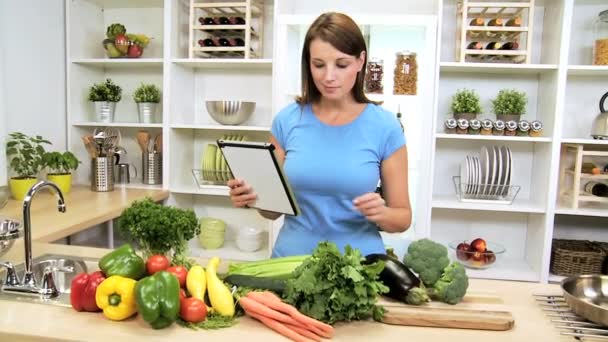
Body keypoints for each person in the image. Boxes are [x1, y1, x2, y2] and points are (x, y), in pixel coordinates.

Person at [228, 12, 412, 257]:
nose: (329, 77)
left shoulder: (386, 126)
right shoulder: (287, 121)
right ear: (308, 64)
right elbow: (272, 212)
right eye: (318, 65)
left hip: (358, 269)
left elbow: (403, 218)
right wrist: (254, 197)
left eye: (342, 64)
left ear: (360, 61)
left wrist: (383, 214)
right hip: (290, 263)